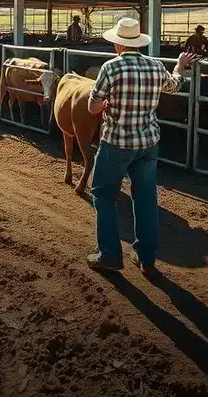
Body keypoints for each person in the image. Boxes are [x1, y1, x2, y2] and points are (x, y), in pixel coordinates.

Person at [85, 17, 198, 277]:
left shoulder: (110, 68)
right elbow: (175, 85)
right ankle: (146, 257)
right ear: (138, 43)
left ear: (117, 44)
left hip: (116, 142)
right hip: (148, 143)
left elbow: (93, 107)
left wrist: (104, 106)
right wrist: (180, 66)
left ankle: (110, 255)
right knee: (146, 198)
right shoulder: (156, 66)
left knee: (103, 194)